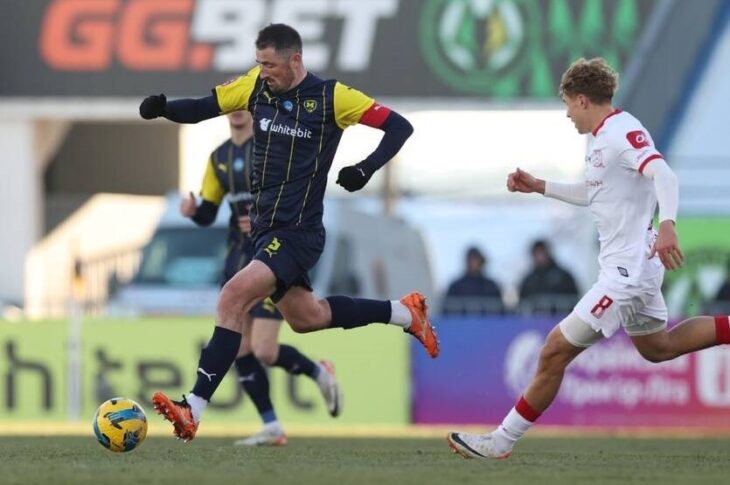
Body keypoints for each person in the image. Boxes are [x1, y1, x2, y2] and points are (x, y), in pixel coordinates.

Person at [138, 23, 439, 442]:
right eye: (259, 63)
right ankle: (404, 313)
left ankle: (193, 407)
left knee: (231, 298)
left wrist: (365, 168)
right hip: (266, 233)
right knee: (307, 318)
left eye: (270, 65)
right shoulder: (254, 86)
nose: (263, 72)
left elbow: (399, 126)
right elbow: (205, 107)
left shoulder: (333, 97)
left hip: (298, 232)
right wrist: (164, 107)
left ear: (295, 60)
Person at [447, 57, 730, 459]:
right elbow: (596, 192)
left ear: (582, 99)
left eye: (567, 104)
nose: (567, 114)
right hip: (635, 265)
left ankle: (501, 441)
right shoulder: (602, 139)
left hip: (625, 274)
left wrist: (668, 223)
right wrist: (540, 186)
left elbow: (664, 174)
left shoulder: (622, 131)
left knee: (553, 351)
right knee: (658, 347)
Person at [180, 110, 342, 446]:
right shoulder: (219, 157)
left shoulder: (271, 146)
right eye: (230, 100)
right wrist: (194, 212)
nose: (237, 108)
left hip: (273, 254)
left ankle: (319, 372)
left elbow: (295, 194)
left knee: (265, 350)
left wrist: (262, 217)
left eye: (242, 100)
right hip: (238, 259)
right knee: (239, 348)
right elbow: (209, 210)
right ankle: (271, 425)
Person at [518, 239, 579, 315]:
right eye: (537, 253)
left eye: (542, 252)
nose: (540, 256)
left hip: (561, 318)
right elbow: (522, 303)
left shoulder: (564, 277)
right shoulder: (529, 280)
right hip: (535, 320)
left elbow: (574, 299)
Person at [442, 246, 503, 315]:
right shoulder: (456, 287)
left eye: (475, 260)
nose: (473, 263)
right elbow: (445, 311)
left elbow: (501, 311)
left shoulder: (491, 286)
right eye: (471, 260)